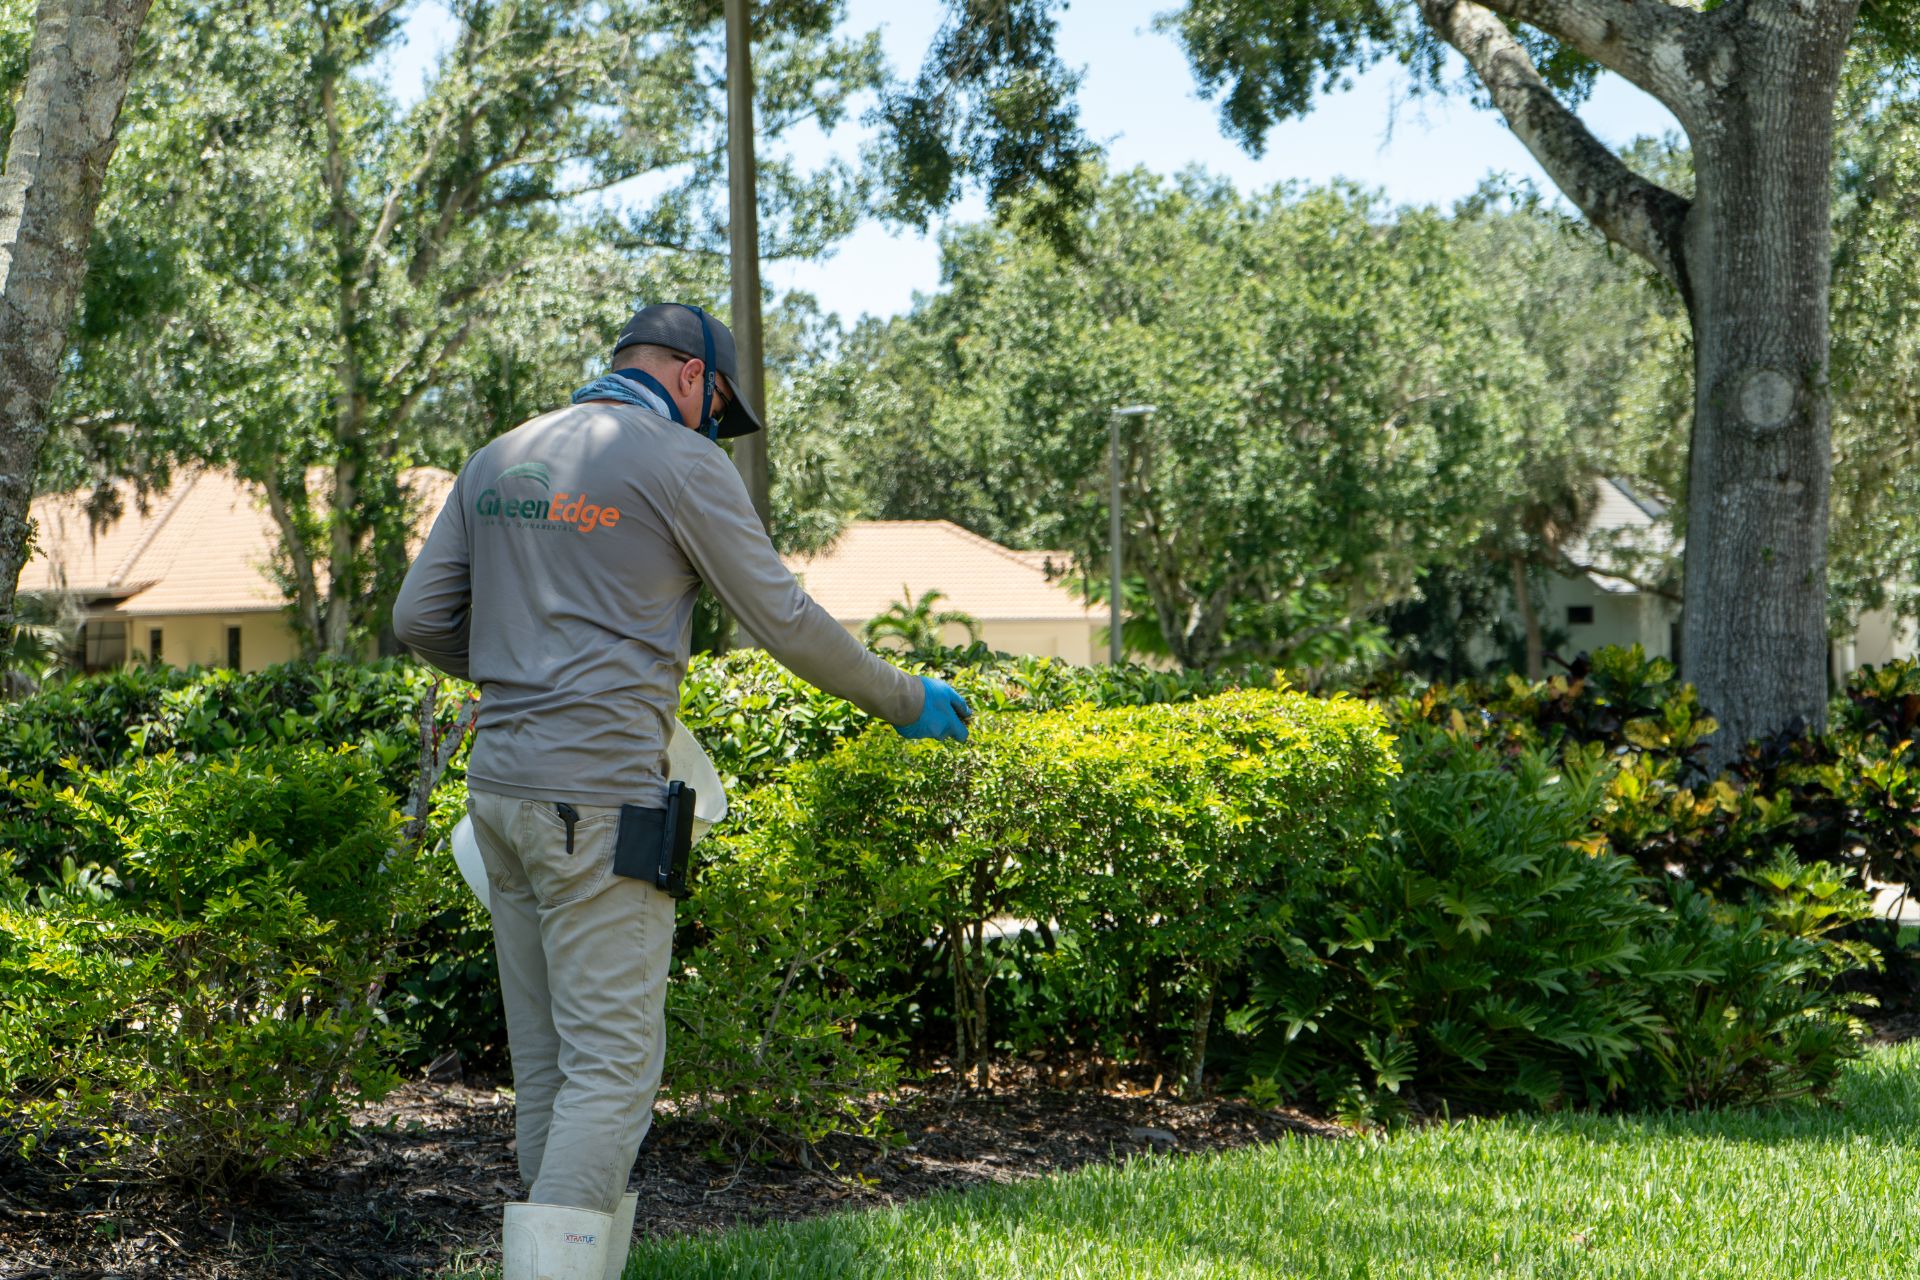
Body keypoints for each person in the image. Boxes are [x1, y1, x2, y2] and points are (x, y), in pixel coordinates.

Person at [392, 303, 972, 1280]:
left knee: (551, 1069)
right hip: (600, 803)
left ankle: (565, 1260)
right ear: (694, 377)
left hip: (497, 795)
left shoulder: (500, 456)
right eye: (719, 410)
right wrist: (905, 696)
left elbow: (419, 616)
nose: (716, 430)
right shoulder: (680, 461)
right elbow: (783, 618)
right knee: (613, 1073)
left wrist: (518, 678)